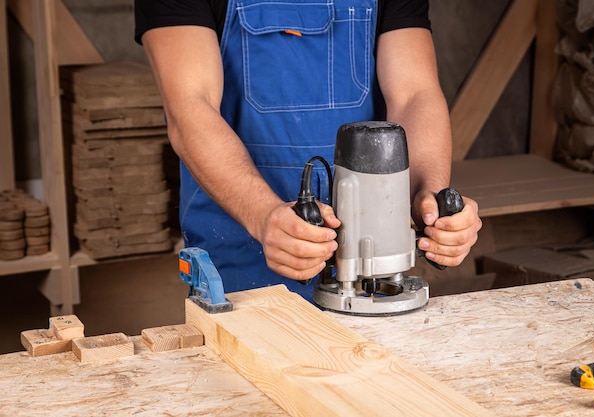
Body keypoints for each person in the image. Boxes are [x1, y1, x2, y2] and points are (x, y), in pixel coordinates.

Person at [134, 0, 482, 301]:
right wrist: (264, 215)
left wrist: (431, 199)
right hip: (241, 258)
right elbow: (190, 109)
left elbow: (415, 94)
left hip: (370, 262)